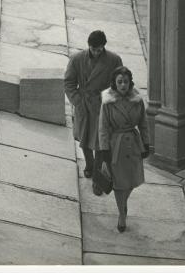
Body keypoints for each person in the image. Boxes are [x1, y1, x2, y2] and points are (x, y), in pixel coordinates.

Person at [64, 30, 122, 195]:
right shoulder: (77, 59)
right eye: (94, 49)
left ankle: (98, 179)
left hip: (102, 107)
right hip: (83, 106)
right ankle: (89, 164)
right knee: (83, 139)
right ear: (89, 46)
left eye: (99, 49)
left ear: (104, 47)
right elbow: (68, 83)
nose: (96, 52)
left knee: (100, 144)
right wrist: (77, 101)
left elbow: (119, 83)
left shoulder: (114, 60)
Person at [99, 66, 150, 232]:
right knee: (119, 183)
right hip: (116, 147)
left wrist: (146, 143)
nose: (123, 85)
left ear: (130, 83)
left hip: (133, 145)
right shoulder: (107, 102)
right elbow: (103, 128)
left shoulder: (137, 100)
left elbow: (143, 123)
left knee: (131, 181)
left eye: (126, 82)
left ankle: (123, 203)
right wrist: (104, 151)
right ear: (114, 83)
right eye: (119, 82)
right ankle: (122, 213)